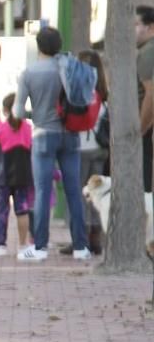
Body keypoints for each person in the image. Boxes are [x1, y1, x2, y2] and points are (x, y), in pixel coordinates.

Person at [14, 26, 90, 261]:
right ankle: (80, 247)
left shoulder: (29, 73)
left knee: (43, 191)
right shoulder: (69, 67)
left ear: (38, 45)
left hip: (44, 134)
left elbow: (17, 112)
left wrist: (34, 113)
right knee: (73, 190)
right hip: (71, 133)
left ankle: (40, 247)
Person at [60, 49, 109, 256]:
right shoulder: (104, 92)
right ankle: (96, 237)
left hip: (78, 148)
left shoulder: (77, 91)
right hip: (100, 148)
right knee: (98, 194)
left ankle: (79, 239)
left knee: (77, 195)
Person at [0, 93, 33, 257]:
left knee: (2, 210)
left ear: (4, 110)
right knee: (22, 210)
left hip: (2, 176)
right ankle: (23, 245)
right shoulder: (28, 128)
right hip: (22, 175)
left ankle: (1, 245)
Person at [136, 6, 154, 194]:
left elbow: (151, 94)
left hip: (146, 131)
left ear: (149, 27)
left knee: (144, 185)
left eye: (136, 24)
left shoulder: (148, 53)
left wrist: (140, 129)